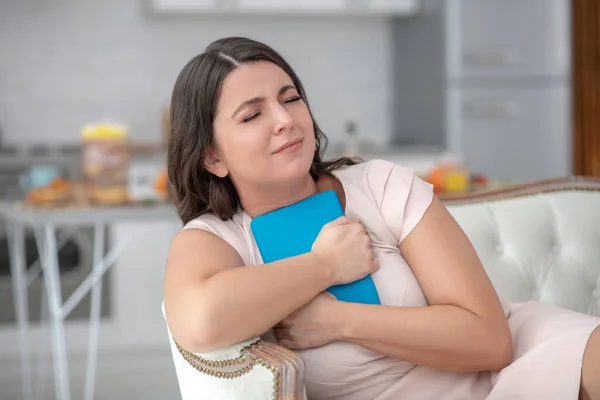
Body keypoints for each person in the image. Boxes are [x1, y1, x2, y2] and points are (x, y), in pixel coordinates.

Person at [163, 36, 600, 400]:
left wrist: (339, 321)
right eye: (253, 114)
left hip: (524, 353)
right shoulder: (217, 240)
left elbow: (491, 340)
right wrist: (325, 265)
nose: (285, 120)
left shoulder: (379, 185)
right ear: (212, 156)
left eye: (291, 98)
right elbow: (200, 322)